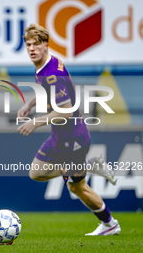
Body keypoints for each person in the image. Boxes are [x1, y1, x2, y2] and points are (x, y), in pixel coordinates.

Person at [17, 24, 120, 236]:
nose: (32, 48)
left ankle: (109, 223)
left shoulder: (52, 73)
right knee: (37, 173)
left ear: (46, 45)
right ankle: (108, 219)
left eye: (36, 44)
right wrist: (30, 104)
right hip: (60, 135)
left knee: (76, 187)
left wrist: (35, 122)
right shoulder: (47, 65)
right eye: (28, 45)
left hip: (73, 137)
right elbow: (50, 92)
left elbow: (66, 112)